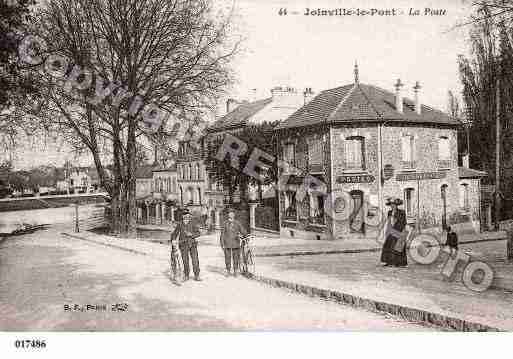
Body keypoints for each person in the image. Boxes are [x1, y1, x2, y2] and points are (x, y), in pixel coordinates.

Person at [170, 209, 202, 281]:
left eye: (187, 215)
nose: (186, 216)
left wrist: (192, 235)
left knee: (195, 260)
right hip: (183, 245)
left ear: (189, 215)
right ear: (182, 216)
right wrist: (173, 240)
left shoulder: (193, 223)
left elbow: (198, 233)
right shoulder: (180, 224)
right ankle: (186, 275)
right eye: (184, 215)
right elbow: (174, 233)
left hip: (192, 244)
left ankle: (197, 275)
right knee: (185, 261)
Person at [380, 197, 408, 267]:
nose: (392, 206)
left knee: (398, 247)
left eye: (394, 204)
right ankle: (389, 262)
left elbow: (404, 222)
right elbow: (389, 222)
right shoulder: (389, 213)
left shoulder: (402, 212)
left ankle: (400, 263)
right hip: (391, 231)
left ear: (396, 205)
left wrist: (398, 231)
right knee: (388, 246)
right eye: (391, 205)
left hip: (399, 231)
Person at [220, 207, 246, 277]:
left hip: (236, 243)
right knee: (227, 258)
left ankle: (235, 271)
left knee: (236, 258)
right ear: (228, 215)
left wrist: (244, 235)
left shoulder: (237, 223)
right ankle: (228, 271)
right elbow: (222, 234)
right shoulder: (225, 223)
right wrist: (222, 243)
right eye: (229, 213)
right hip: (227, 243)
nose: (231, 215)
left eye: (232, 213)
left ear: (234, 215)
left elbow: (243, 230)